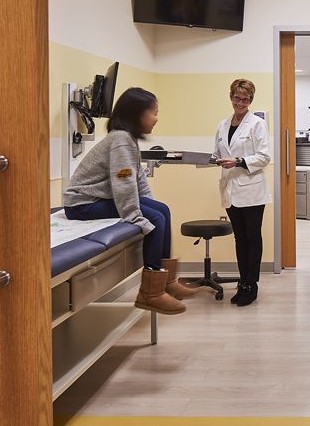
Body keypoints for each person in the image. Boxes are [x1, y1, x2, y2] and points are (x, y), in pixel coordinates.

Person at [63, 87, 192, 315]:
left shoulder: (128, 139)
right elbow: (123, 182)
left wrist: (150, 205)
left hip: (99, 199)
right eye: (153, 112)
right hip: (82, 205)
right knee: (155, 217)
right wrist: (136, 216)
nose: (156, 118)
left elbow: (137, 179)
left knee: (163, 210)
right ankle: (151, 294)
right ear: (137, 114)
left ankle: (166, 281)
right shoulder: (121, 140)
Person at [214, 79, 272, 307]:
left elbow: (264, 157)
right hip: (230, 188)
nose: (241, 102)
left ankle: (251, 285)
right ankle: (242, 283)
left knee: (252, 238)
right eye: (237, 98)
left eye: (245, 99)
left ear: (251, 101)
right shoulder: (222, 125)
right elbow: (217, 153)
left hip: (252, 189)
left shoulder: (257, 124)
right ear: (231, 97)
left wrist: (238, 161)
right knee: (240, 239)